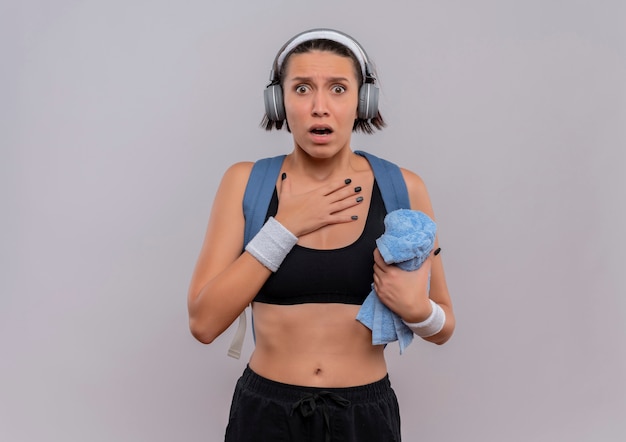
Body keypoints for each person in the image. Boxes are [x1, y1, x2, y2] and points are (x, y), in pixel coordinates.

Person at [187, 28, 455, 441]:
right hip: (266, 415)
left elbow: (444, 327)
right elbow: (204, 323)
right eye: (302, 88)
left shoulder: (404, 189)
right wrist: (285, 226)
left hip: (365, 417)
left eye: (338, 89)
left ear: (363, 102)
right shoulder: (245, 183)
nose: (319, 107)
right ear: (279, 101)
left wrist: (419, 310)